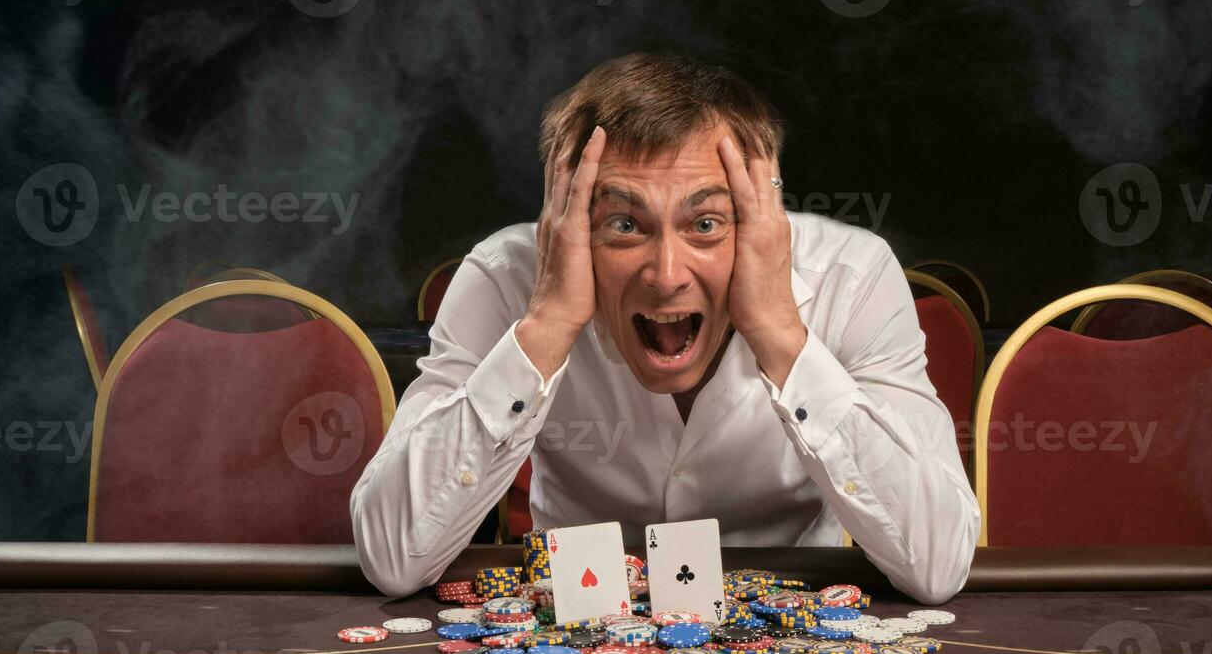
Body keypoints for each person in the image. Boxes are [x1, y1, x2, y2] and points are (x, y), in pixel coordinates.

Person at [351, 53, 979, 603]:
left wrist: (783, 335)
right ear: (566, 215)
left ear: (762, 216)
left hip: (787, 625)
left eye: (705, 223)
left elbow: (937, 566)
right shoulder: (504, 278)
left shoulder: (853, 277)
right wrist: (546, 323)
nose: (665, 274)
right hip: (571, 630)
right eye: (624, 224)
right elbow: (393, 559)